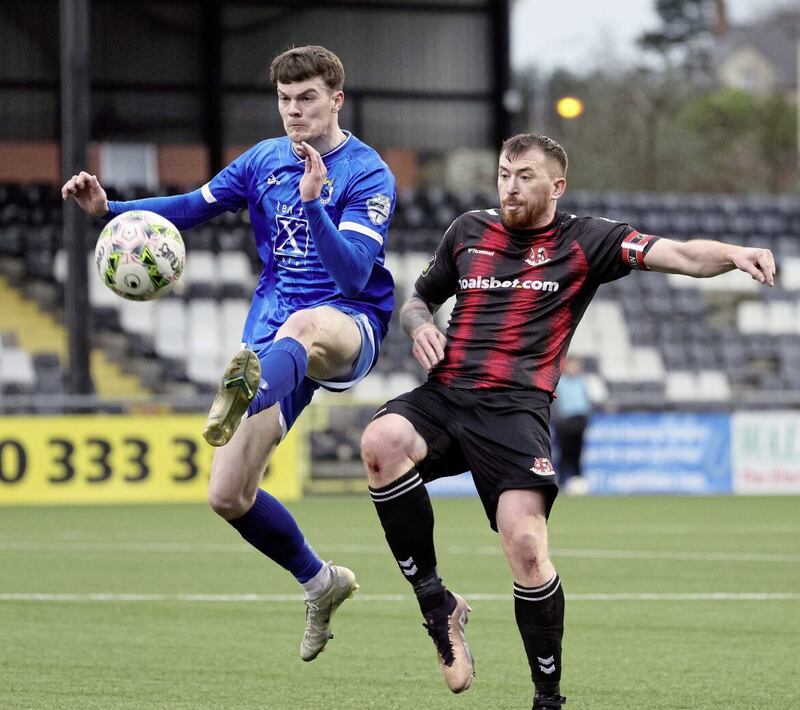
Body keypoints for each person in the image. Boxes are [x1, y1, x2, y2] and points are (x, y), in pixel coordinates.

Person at [359, 133, 775, 709]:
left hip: (515, 411)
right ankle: (437, 605)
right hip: (448, 394)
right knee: (380, 441)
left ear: (556, 186)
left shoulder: (586, 240)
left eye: (524, 175)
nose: (509, 184)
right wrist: (419, 325)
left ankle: (547, 698)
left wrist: (733, 254)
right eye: (504, 173)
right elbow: (417, 298)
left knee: (526, 546)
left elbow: (677, 255)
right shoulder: (468, 231)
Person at [62, 45, 396, 663]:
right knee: (228, 495)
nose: (294, 111)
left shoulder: (368, 173)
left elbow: (352, 276)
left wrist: (316, 200)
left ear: (336, 99)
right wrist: (110, 209)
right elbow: (193, 207)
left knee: (305, 325)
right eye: (285, 100)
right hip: (273, 334)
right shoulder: (264, 160)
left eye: (307, 99)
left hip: (348, 324)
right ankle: (321, 583)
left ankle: (246, 388)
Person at [553, 356, 591, 495]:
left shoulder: (581, 381)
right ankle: (562, 482)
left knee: (577, 453)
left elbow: (586, 400)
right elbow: (555, 403)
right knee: (564, 453)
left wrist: (587, 417)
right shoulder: (560, 382)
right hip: (565, 422)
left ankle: (578, 481)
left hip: (579, 420)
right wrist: (558, 420)